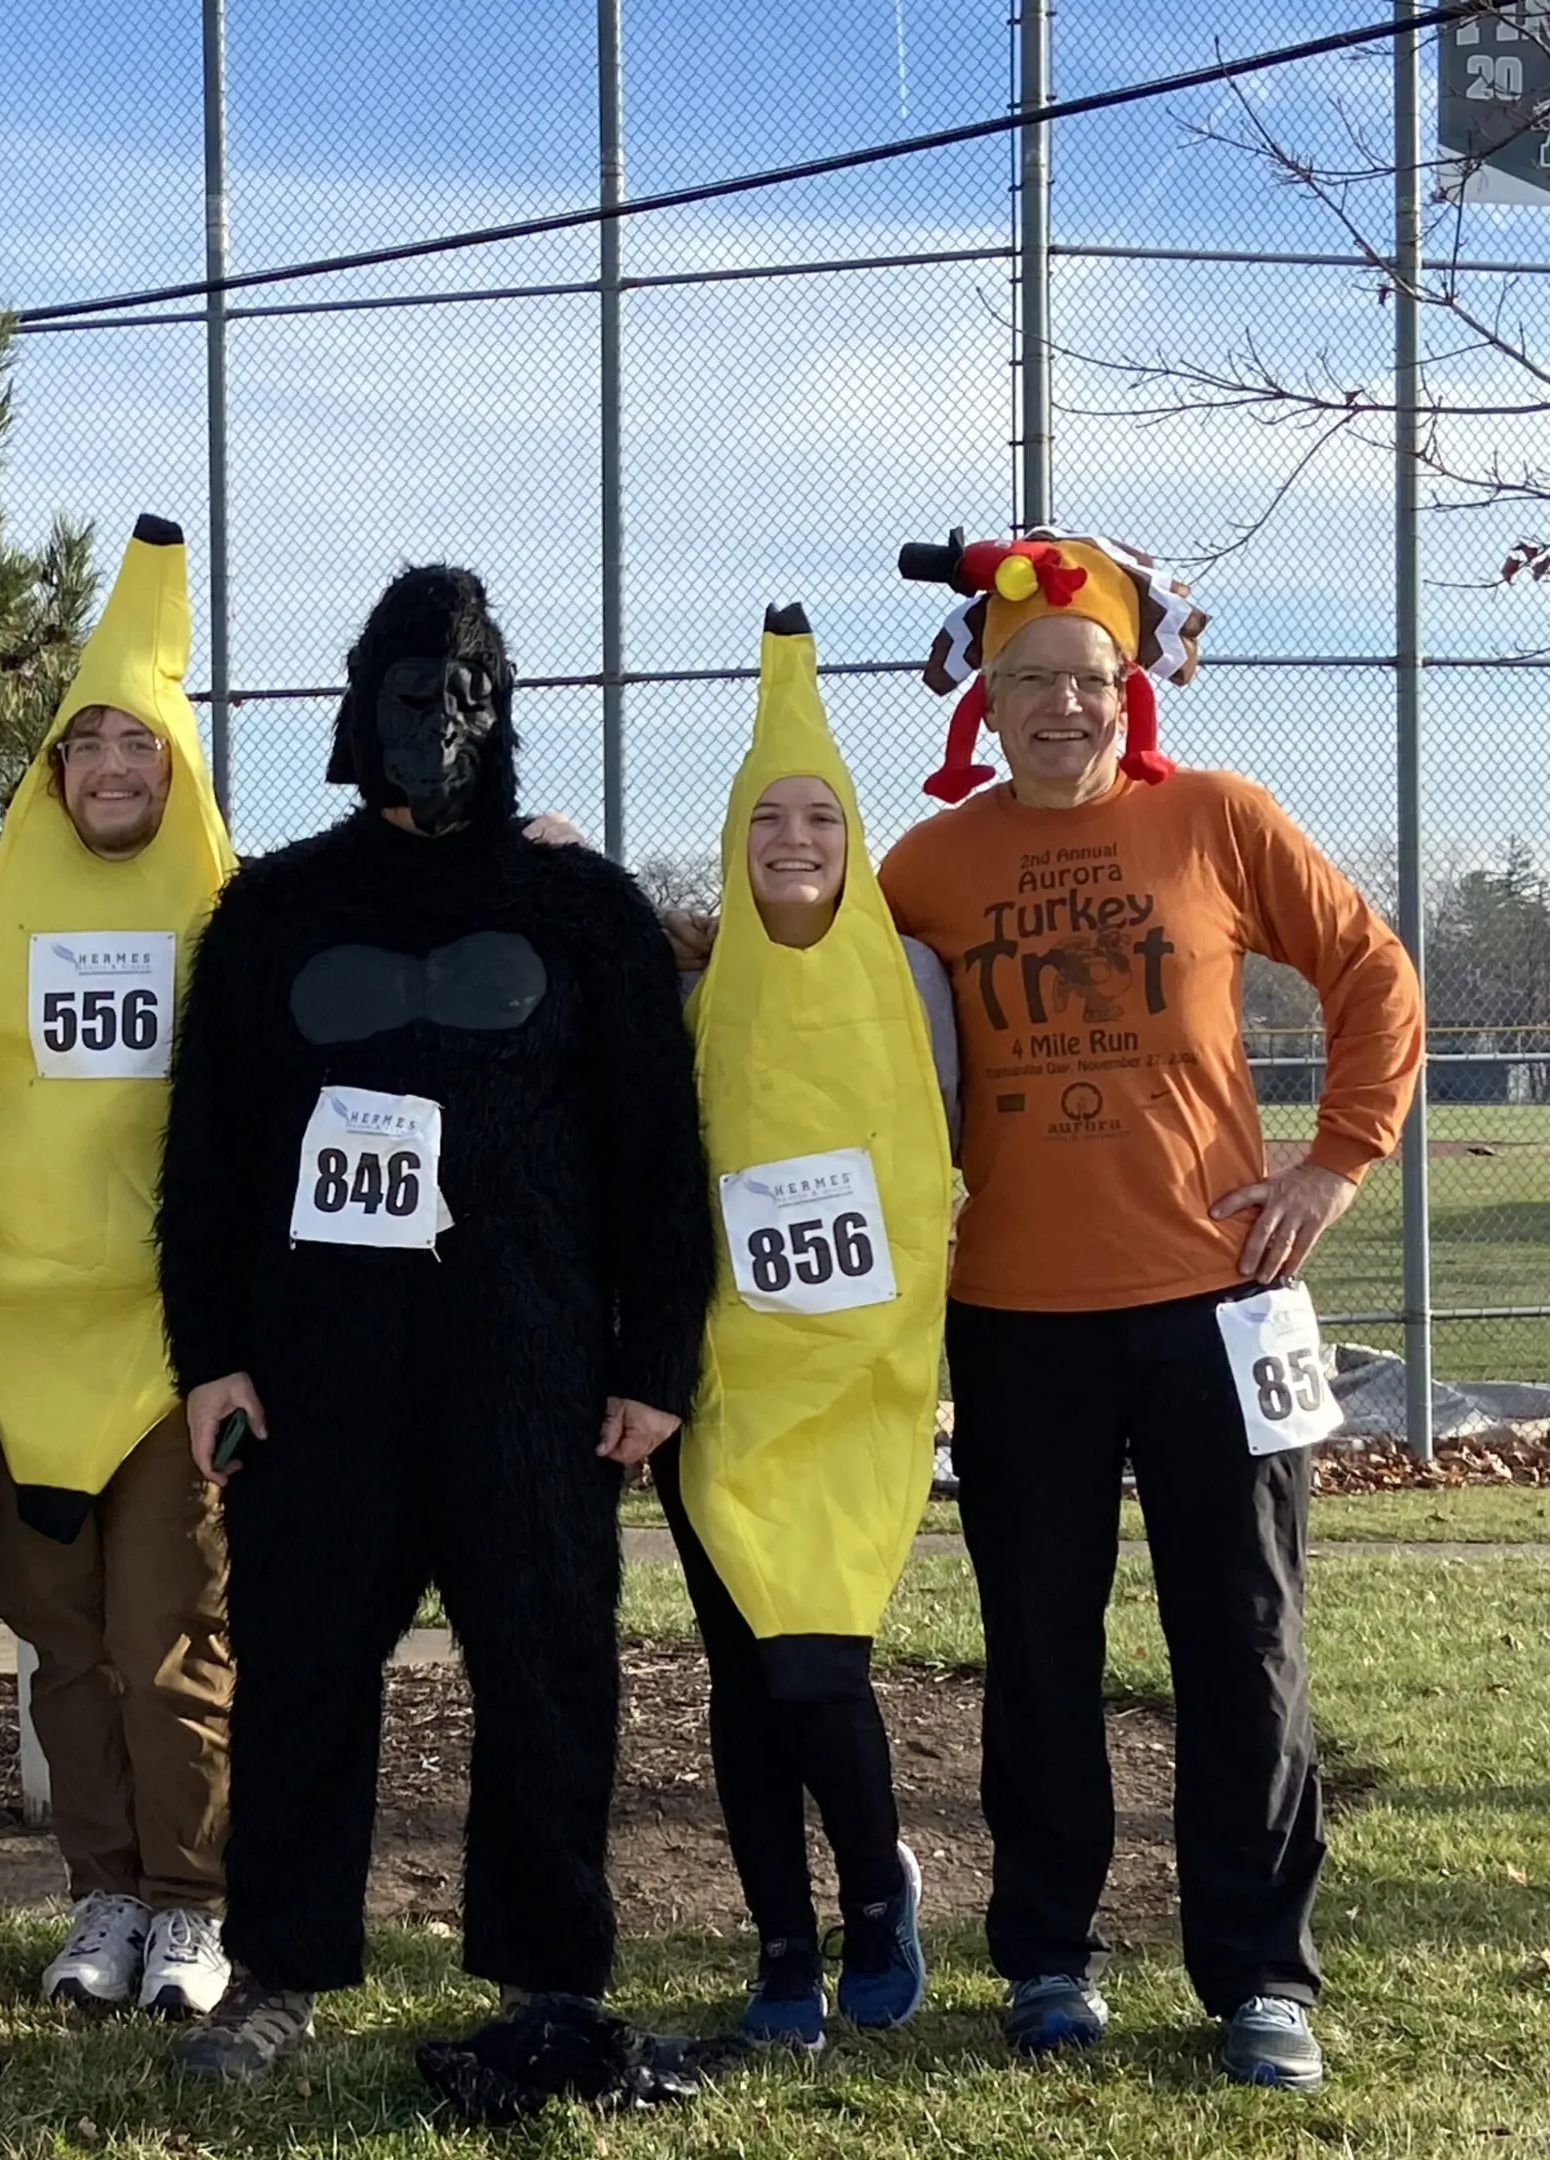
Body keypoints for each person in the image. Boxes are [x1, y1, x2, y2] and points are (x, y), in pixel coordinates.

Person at [153, 562, 722, 2116]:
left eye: (470, 696)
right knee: (303, 1673)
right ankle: (279, 1968)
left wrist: (651, 1366)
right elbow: (201, 1161)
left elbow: (660, 1159)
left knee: (549, 1671)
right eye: (414, 694)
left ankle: (548, 1969)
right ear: (360, 712)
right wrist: (210, 1354)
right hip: (318, 1376)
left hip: (529, 1375)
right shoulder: (272, 915)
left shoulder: (580, 907)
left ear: (504, 715)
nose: (441, 722)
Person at [881, 527, 1425, 2092]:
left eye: (1092, 681)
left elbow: (1371, 973)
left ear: (1131, 693)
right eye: (1032, 680)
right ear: (983, 696)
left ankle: (1260, 1976)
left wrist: (1330, 1166)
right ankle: (1049, 1958)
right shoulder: (928, 866)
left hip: (1223, 1300)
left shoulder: (1218, 819)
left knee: (1245, 1641)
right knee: (1037, 1647)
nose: (1065, 706)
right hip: (1015, 1315)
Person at [656, 604, 956, 2053]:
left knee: (818, 1666)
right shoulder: (695, 1003)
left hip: (857, 1394)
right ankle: (781, 1940)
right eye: (766, 818)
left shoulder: (910, 987)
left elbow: (944, 1170)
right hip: (728, 1398)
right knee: (740, 1677)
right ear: (735, 839)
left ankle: (878, 1899)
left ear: (851, 839)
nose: (792, 839)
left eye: (817, 817)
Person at [0, 516, 239, 2019]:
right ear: (55, 768)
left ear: (177, 763)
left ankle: (193, 1903)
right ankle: (104, 1892)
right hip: (18, 1341)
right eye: (90, 744)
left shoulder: (238, 903)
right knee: (58, 1643)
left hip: (162, 1348)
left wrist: (526, 853)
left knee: (168, 1636)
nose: (116, 768)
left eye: (143, 742)